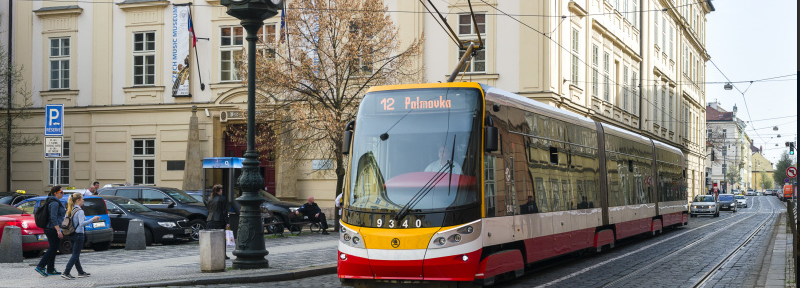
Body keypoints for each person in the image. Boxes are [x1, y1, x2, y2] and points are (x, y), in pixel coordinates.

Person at [61, 193, 100, 280]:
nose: (83, 201)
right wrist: (92, 220)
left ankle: (80, 272)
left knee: (75, 254)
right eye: (82, 199)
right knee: (75, 254)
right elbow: (82, 224)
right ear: (78, 201)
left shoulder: (70, 210)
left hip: (70, 234)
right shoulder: (80, 211)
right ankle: (66, 272)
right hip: (78, 235)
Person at [34, 186, 66, 277]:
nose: (62, 193)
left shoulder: (54, 202)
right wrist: (58, 230)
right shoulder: (54, 203)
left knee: (54, 248)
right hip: (52, 229)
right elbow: (53, 218)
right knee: (52, 248)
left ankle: (50, 269)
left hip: (51, 228)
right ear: (55, 193)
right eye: (61, 192)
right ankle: (40, 266)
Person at [205, 184, 230, 259]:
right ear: (219, 190)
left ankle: (212, 253)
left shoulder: (210, 198)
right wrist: (227, 222)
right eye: (221, 189)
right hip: (219, 220)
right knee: (221, 238)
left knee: (212, 238)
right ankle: (222, 254)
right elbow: (224, 211)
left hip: (210, 219)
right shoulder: (222, 198)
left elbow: (209, 209)